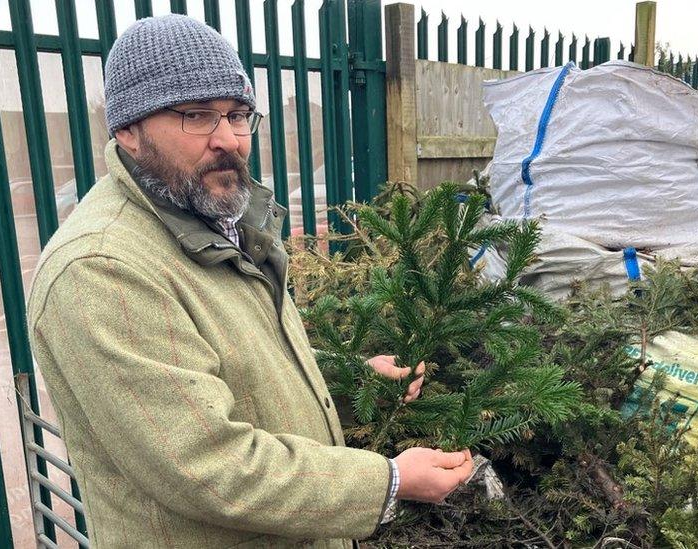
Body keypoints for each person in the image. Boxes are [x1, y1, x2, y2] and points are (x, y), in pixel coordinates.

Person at [26, 14, 473, 548]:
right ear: (128, 129)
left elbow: (237, 369)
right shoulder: (103, 269)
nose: (228, 140)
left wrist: (351, 380)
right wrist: (390, 482)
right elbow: (205, 465)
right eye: (196, 115)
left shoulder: (222, 223)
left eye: (238, 115)